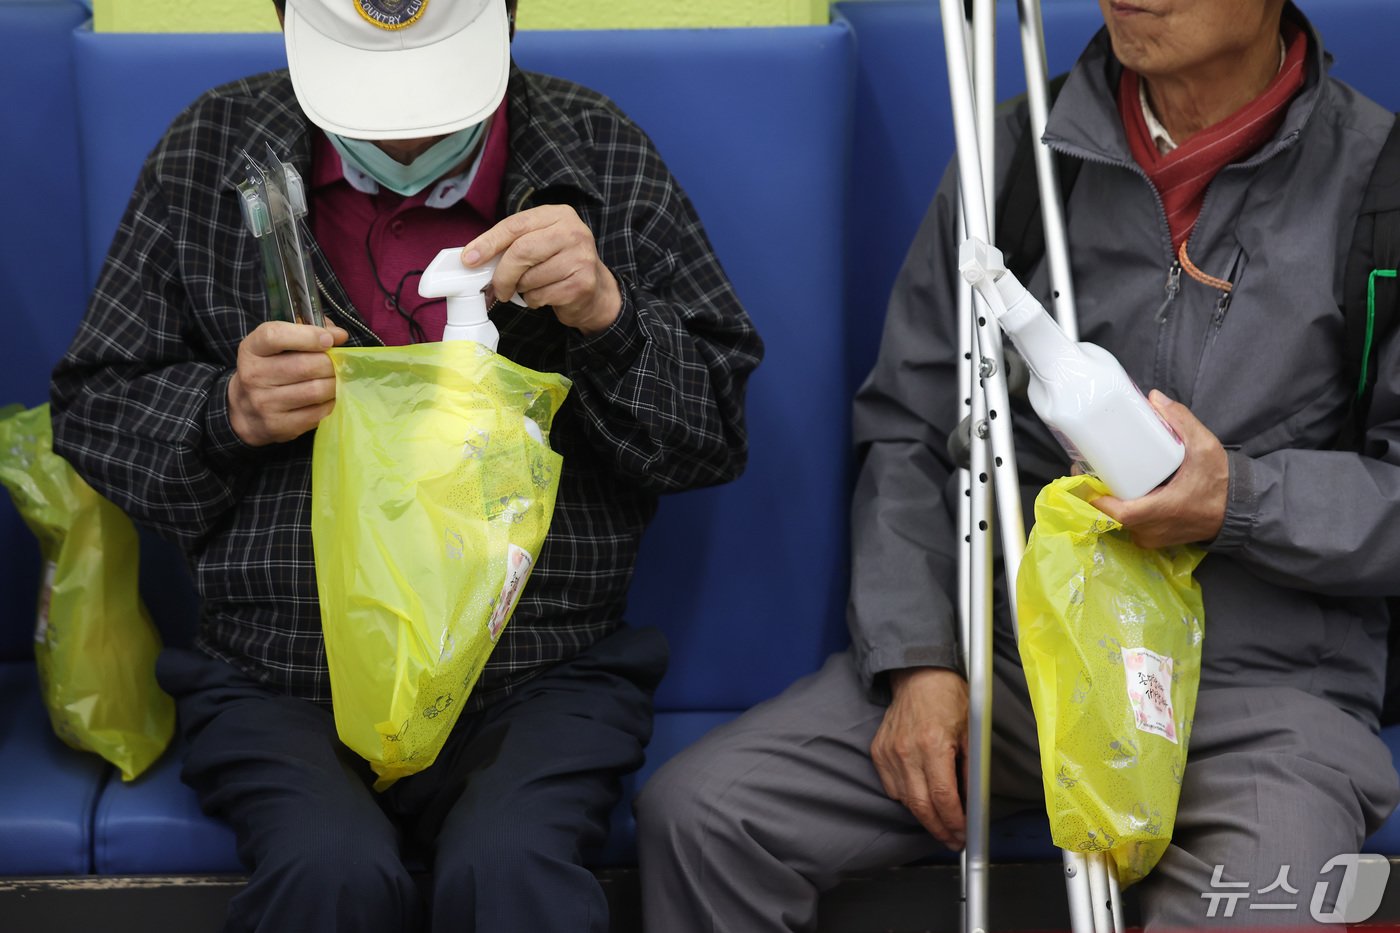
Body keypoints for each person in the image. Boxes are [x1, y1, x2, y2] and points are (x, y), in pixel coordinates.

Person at [637, 1, 1400, 928]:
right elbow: (912, 428)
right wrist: (919, 659)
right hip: (1013, 660)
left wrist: (1235, 500)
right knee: (708, 816)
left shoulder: (1382, 191)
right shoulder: (1013, 157)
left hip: (1257, 693)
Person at [49, 0, 761, 930]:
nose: (408, 125)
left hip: (538, 663)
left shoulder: (597, 153)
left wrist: (608, 316)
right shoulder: (215, 154)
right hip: (284, 667)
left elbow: (711, 434)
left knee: (512, 871)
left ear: (508, 21)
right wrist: (225, 410)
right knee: (325, 872)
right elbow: (94, 412)